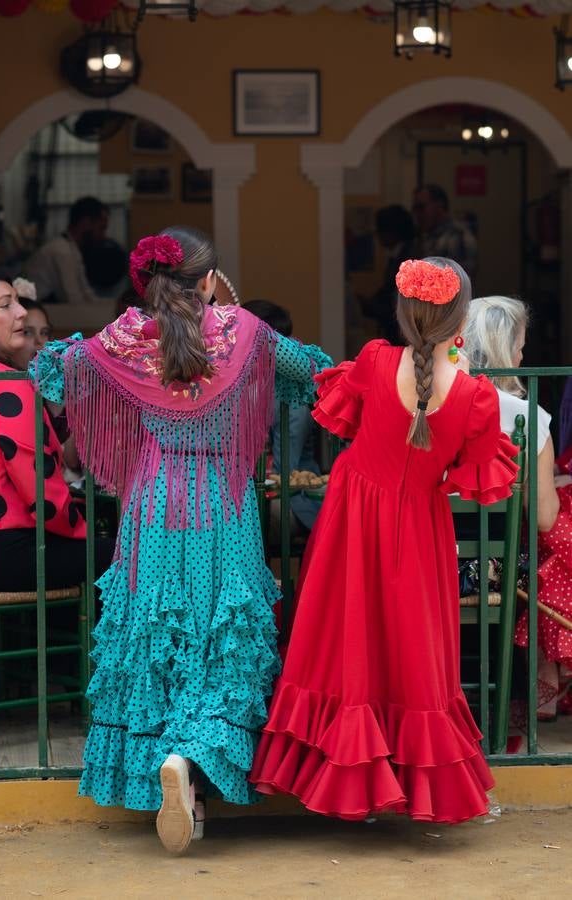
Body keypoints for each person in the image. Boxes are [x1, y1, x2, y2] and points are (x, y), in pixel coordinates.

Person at [30, 227, 332, 854]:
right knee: (221, 634)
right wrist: (233, 311)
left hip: (152, 503)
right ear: (206, 278)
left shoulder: (125, 338)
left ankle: (183, 790)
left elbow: (54, 369)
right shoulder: (242, 333)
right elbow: (314, 372)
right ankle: (190, 757)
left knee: (158, 632)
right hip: (222, 503)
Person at [250, 257, 519, 823]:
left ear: (401, 312)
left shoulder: (373, 362)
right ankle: (409, 790)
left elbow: (344, 421)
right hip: (419, 531)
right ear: (461, 317)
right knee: (411, 654)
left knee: (344, 646)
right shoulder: (476, 397)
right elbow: (469, 478)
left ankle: (350, 788)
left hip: (351, 524)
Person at [464, 296, 570, 720]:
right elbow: (544, 516)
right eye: (520, 347)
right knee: (554, 551)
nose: (524, 356)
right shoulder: (528, 416)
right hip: (495, 569)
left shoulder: (428, 403)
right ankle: (544, 683)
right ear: (503, 350)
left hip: (427, 559)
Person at [0, 271, 113, 593]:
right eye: (6, 305)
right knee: (120, 555)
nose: (21, 312)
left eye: (17, 302)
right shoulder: (6, 386)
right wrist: (85, 528)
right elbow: (43, 497)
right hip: (10, 550)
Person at [243, 299, 322, 534]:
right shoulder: (249, 388)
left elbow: (284, 472)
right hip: (256, 490)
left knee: (246, 515)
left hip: (294, 498)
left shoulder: (291, 399)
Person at [25, 196, 109, 305]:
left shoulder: (71, 249)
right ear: (86, 223)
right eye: (101, 228)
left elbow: (88, 296)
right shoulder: (61, 251)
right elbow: (74, 302)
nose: (103, 236)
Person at [360, 205, 416, 344]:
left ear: (391, 232)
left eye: (379, 231)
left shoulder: (408, 258)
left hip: (401, 331)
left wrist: (371, 306)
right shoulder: (397, 255)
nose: (377, 236)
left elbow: (394, 295)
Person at [413, 185, 477, 278]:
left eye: (421, 207)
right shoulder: (422, 236)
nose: (417, 213)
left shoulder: (457, 235)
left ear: (440, 206)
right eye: (415, 208)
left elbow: (459, 282)